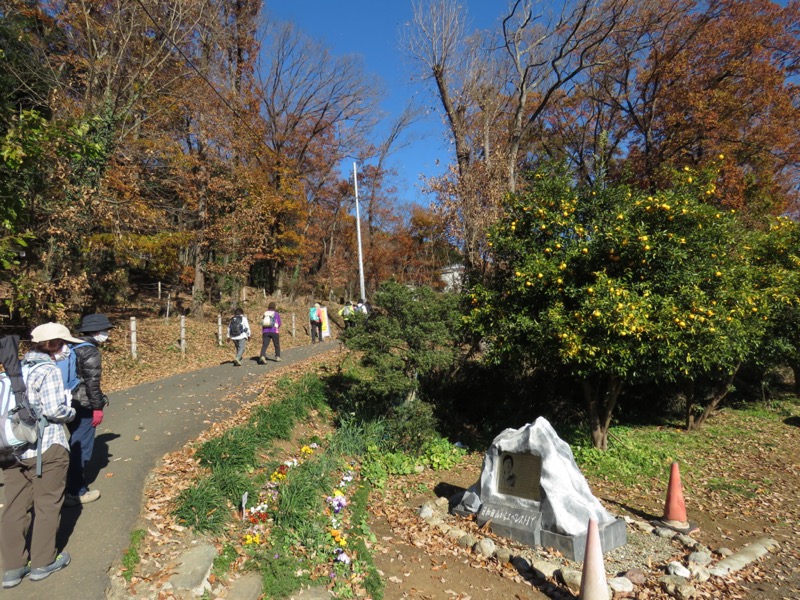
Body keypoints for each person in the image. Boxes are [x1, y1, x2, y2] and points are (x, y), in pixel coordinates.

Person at [1, 323, 77, 587]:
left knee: (14, 507)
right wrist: (72, 411)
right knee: (47, 504)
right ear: (54, 344)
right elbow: (55, 411)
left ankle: (12, 568)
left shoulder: (12, 369)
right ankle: (43, 563)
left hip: (11, 449)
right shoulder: (49, 370)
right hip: (47, 448)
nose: (67, 348)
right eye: (65, 343)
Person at [65, 313, 114, 507]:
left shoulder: (70, 346)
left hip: (67, 401)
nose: (107, 334)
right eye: (105, 330)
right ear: (95, 331)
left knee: (73, 442)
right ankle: (76, 492)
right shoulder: (90, 351)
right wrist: (98, 408)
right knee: (81, 447)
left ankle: (66, 485)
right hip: (84, 404)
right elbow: (92, 383)